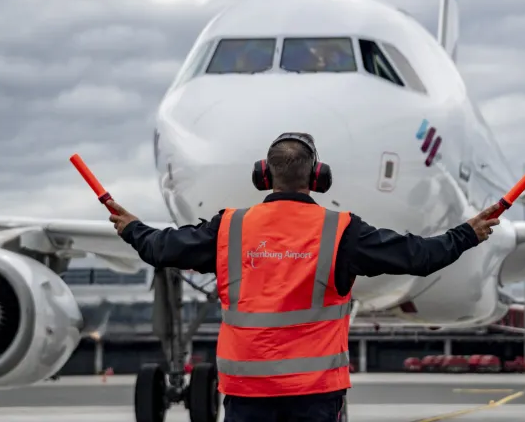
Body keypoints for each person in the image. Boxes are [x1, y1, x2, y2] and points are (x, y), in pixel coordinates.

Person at [107, 132, 501, 422]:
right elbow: (420, 256)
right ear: (317, 177)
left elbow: (160, 248)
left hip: (247, 392)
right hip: (315, 393)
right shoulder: (341, 231)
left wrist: (131, 227)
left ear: (264, 175)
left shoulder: (229, 229)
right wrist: (467, 233)